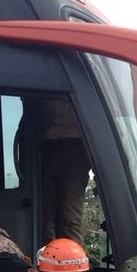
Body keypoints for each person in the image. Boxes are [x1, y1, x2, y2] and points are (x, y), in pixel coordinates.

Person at [39, 98, 91, 244]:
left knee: (70, 216)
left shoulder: (81, 85)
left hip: (75, 146)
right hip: (43, 146)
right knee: (42, 216)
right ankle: (46, 258)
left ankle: (72, 262)